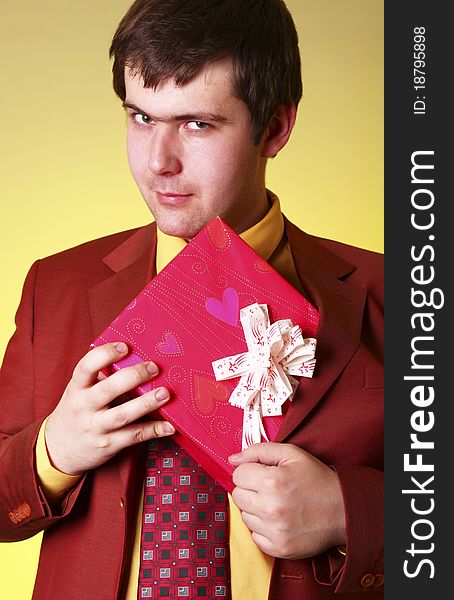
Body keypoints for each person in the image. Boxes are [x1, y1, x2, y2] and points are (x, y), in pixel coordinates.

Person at [0, 1, 383, 598]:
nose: (159, 162)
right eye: (140, 118)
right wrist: (53, 451)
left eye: (197, 124)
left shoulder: (397, 296)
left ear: (276, 128)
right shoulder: (57, 286)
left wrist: (347, 511)